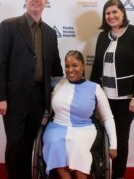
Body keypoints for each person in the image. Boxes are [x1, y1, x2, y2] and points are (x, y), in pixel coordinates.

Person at [0, 0, 63, 179]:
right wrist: (0, 97)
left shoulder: (50, 33)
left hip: (39, 97)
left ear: (46, 2)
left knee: (29, 142)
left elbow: (56, 68)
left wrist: (62, 95)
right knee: (14, 143)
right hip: (13, 98)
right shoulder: (9, 26)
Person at [90, 0, 134, 179]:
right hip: (104, 97)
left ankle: (118, 175)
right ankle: (102, 169)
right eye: (108, 13)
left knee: (121, 139)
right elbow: (96, 68)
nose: (111, 16)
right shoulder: (102, 36)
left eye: (115, 12)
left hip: (126, 98)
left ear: (123, 13)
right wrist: (91, 94)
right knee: (104, 134)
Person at [43, 50, 117, 179]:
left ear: (83, 66)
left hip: (84, 128)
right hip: (57, 126)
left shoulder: (95, 88)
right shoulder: (58, 84)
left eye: (75, 65)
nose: (70, 70)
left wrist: (114, 145)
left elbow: (107, 117)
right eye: (67, 66)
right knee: (53, 142)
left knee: (78, 146)